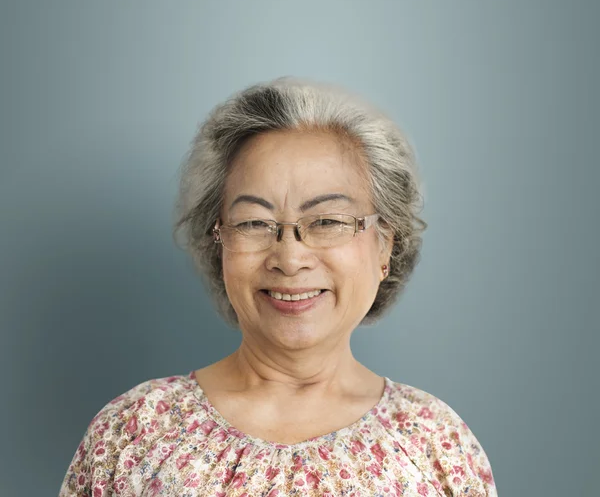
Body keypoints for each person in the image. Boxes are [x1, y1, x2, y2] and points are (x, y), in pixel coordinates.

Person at [59, 77, 497, 496]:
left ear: (385, 247)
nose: (289, 259)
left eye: (327, 221)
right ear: (219, 244)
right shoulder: (134, 432)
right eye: (254, 223)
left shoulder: (436, 443)